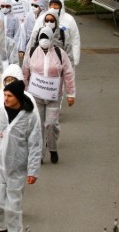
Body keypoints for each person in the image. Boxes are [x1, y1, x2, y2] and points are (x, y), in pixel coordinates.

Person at [0, 81, 42, 232]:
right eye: (4, 95)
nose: (6, 98)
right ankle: (1, 229)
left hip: (17, 169)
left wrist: (33, 170)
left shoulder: (30, 117)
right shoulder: (0, 113)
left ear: (18, 97)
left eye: (9, 96)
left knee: (13, 207)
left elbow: (35, 144)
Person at [22, 26, 76, 164]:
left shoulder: (59, 53)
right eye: (42, 37)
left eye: (47, 37)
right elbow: (25, 73)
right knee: (38, 126)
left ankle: (53, 148)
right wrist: (25, 92)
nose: (44, 40)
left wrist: (71, 93)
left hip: (53, 97)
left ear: (52, 38)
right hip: (36, 97)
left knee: (51, 124)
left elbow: (68, 73)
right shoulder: (32, 52)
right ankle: (39, 155)